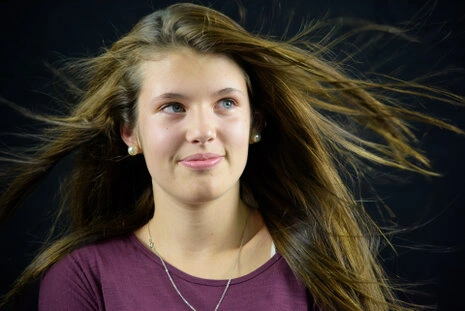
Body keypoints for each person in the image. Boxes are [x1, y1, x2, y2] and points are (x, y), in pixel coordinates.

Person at [0, 2, 462, 311]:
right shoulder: (83, 282)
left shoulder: (322, 259)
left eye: (226, 103)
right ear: (129, 132)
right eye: (172, 107)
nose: (203, 131)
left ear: (255, 124)